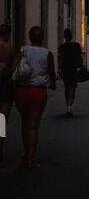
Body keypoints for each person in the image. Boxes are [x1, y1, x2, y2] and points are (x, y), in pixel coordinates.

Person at [15, 26, 56, 169]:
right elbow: (52, 73)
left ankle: (26, 153)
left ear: (29, 36)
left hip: (21, 91)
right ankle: (30, 158)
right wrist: (53, 84)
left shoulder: (23, 50)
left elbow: (15, 68)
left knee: (24, 123)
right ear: (42, 38)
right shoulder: (47, 53)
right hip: (38, 92)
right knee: (33, 126)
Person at [0, 24, 18, 165]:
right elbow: (13, 70)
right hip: (5, 83)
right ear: (7, 34)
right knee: (2, 118)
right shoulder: (12, 48)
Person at [58, 29, 83, 117]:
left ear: (64, 36)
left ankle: (67, 106)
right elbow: (80, 57)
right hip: (73, 69)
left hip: (65, 69)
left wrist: (59, 69)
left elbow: (60, 59)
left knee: (66, 87)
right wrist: (80, 67)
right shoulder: (76, 45)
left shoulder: (61, 47)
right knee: (73, 87)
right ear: (71, 36)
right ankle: (70, 106)